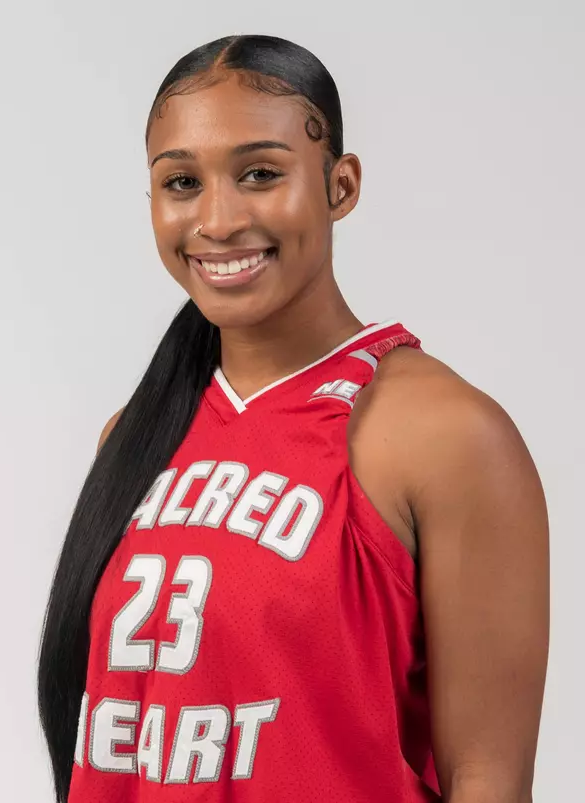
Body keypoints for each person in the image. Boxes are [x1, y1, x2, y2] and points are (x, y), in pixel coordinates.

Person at [37, 34, 549, 803]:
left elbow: (488, 777)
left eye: (260, 174)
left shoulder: (444, 435)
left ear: (339, 185)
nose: (216, 219)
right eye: (181, 182)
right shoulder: (134, 434)